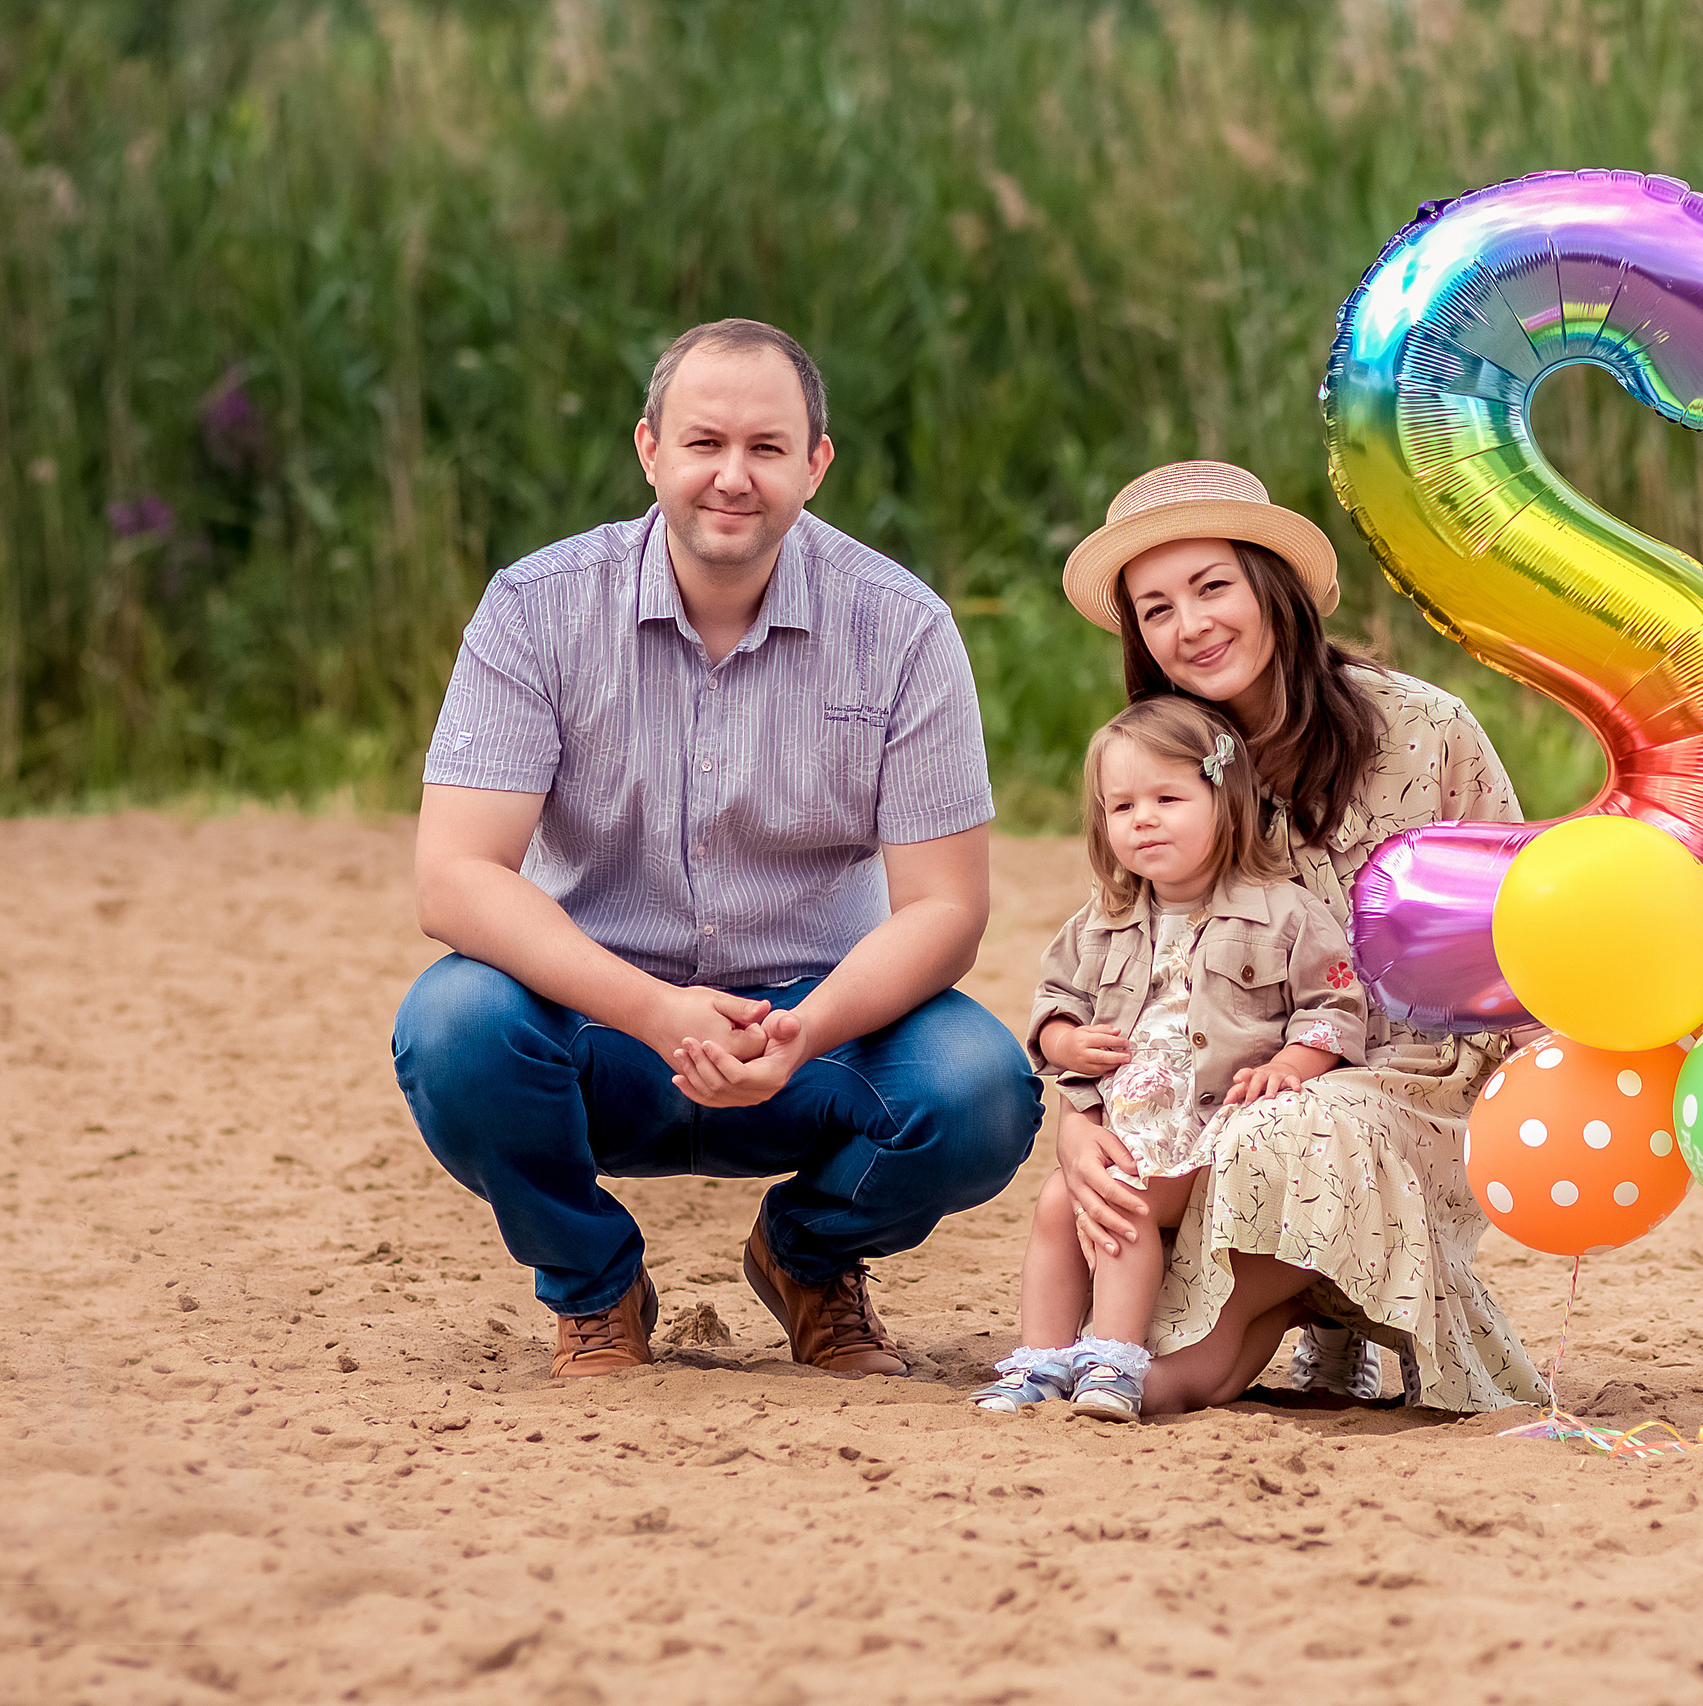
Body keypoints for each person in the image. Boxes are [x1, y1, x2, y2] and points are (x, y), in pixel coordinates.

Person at [393, 318, 1041, 1382]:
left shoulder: (906, 628)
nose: (732, 477)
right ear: (649, 449)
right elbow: (454, 878)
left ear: (815, 465)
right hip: (599, 1021)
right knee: (453, 1023)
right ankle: (595, 1287)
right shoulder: (535, 609)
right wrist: (651, 1008)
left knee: (980, 1084)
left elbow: (945, 909)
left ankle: (808, 1260)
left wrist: (807, 1026)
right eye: (703, 444)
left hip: (813, 1026)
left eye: (767, 448)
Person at [1054, 459, 1545, 1414]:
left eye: (1211, 587)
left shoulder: (1424, 730)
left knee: (1287, 1129)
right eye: (1155, 610)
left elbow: (1517, 920)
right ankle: (1290, 1310)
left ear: (1270, 589)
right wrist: (1077, 1125)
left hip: (1416, 1080)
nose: (1189, 627)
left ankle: (1266, 1324)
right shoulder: (1159, 767)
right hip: (1216, 1081)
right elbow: (1122, 971)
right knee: (1133, 1198)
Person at [952, 697, 1364, 1421]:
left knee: (1125, 1203)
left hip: (1211, 1136)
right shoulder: (1101, 923)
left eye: (1167, 798)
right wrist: (1063, 1042)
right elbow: (1055, 1000)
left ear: (1227, 802)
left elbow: (1333, 1007)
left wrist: (1292, 1065)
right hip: (1129, 1126)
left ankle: (1113, 1360)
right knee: (1057, 1203)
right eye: (1121, 806)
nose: (1142, 819)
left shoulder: (1285, 913)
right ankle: (1040, 1363)